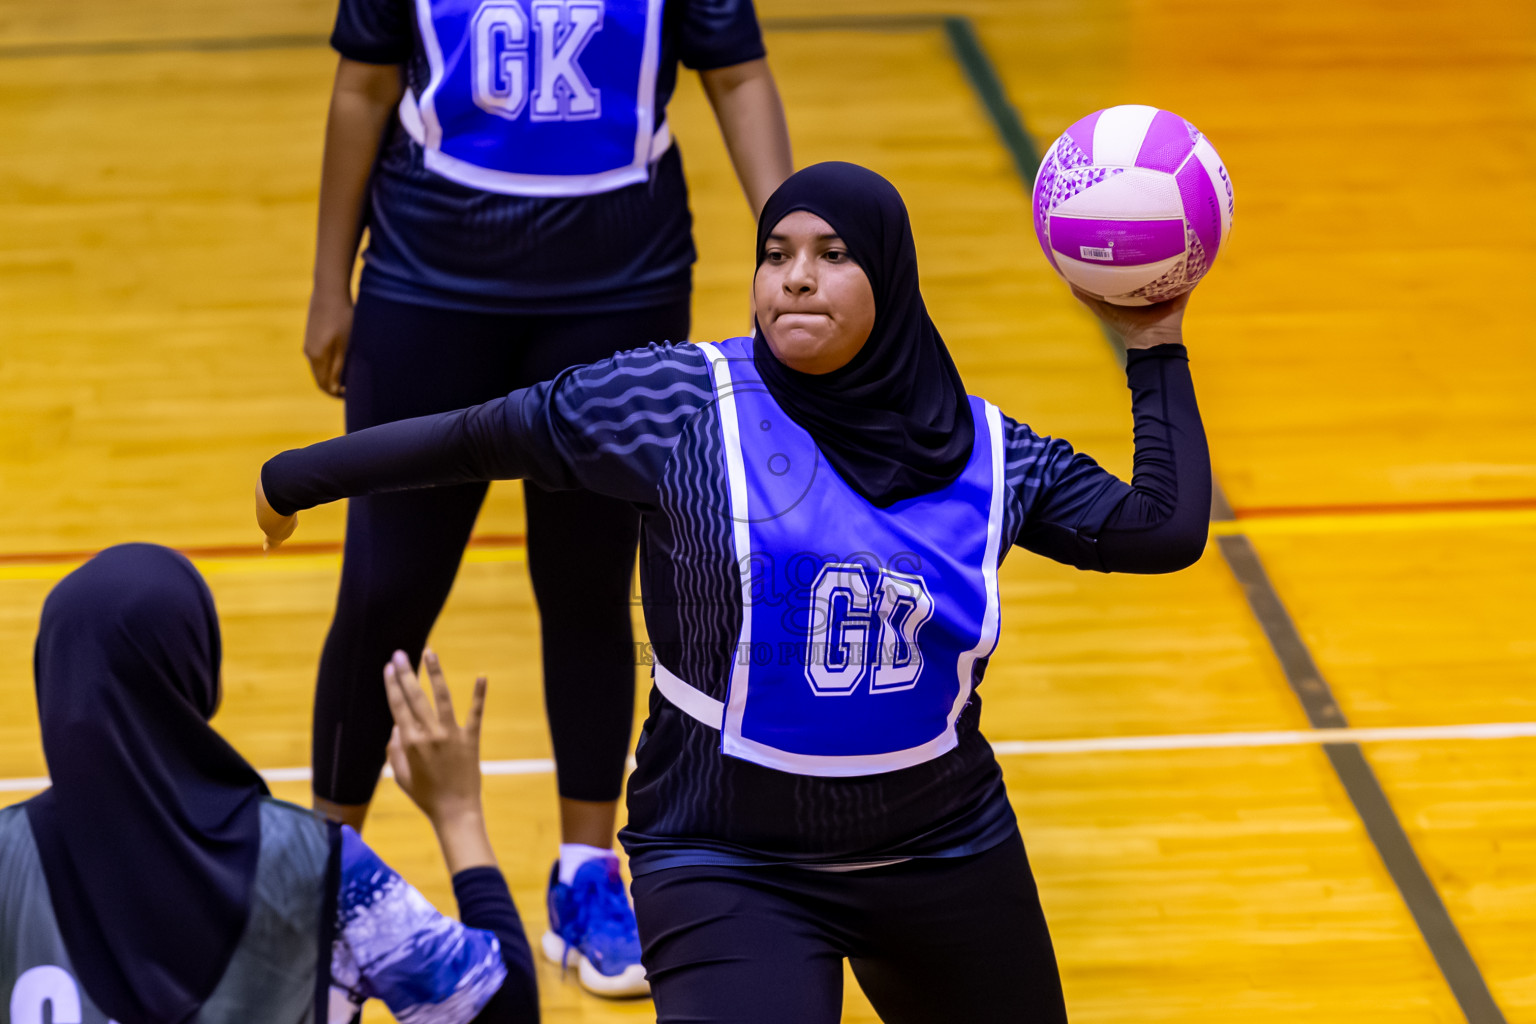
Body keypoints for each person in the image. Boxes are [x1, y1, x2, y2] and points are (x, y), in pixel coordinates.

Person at [257, 162, 1212, 1023]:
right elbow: (480, 436)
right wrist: (299, 473)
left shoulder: (996, 456)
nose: (793, 277)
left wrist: (1153, 343)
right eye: (775, 253)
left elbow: (1162, 532)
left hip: (943, 851)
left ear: (891, 278)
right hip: (725, 857)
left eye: (832, 255)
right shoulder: (679, 405)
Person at [301, 0, 793, 994]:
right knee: (386, 587)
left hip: (622, 284)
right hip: (425, 283)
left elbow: (737, 75)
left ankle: (584, 873)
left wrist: (795, 250)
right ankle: (322, 888)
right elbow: (362, 83)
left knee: (589, 579)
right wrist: (327, 281)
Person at [0, 544, 537, 1024]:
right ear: (198, 673)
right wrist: (458, 814)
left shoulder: (6, 858)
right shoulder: (318, 862)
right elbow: (500, 1011)